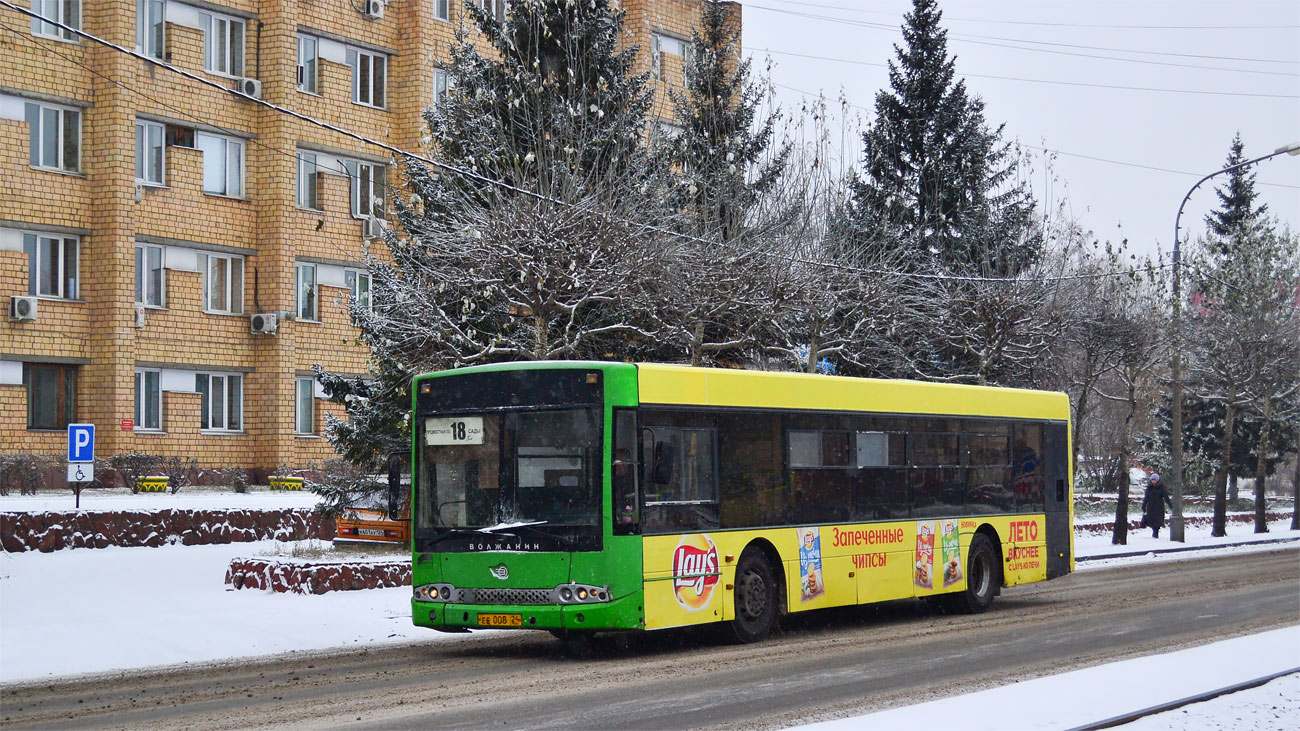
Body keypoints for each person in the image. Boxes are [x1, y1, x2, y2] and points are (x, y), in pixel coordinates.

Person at [1141, 473, 1173, 538]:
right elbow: (1146, 497)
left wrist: (1170, 505)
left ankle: (1156, 533)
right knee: (1151, 520)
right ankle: (1154, 532)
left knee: (1157, 521)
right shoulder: (1149, 487)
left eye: (1154, 480)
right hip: (1151, 507)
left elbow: (1166, 497)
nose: (1153, 481)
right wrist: (1144, 506)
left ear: (1157, 480)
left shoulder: (1161, 487)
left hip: (1159, 507)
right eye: (1152, 480)